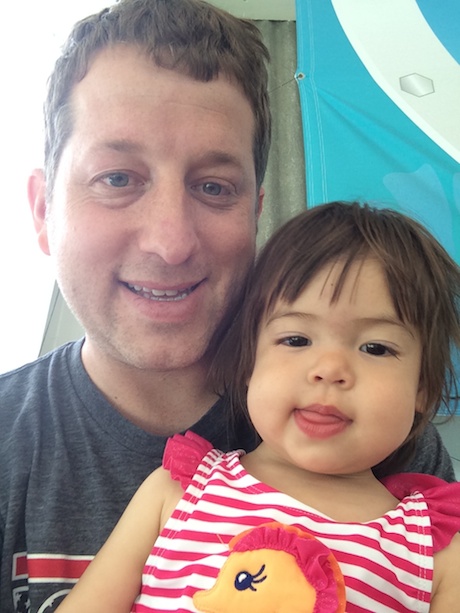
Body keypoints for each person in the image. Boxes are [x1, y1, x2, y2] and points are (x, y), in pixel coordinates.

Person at [0, 0, 454, 609]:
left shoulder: (381, 441)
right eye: (117, 178)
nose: (170, 242)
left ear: (255, 212)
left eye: (214, 187)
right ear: (41, 211)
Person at [55, 201, 460, 613]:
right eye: (296, 340)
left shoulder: (436, 551)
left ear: (422, 389)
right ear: (249, 361)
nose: (330, 370)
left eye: (375, 347)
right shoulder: (179, 490)